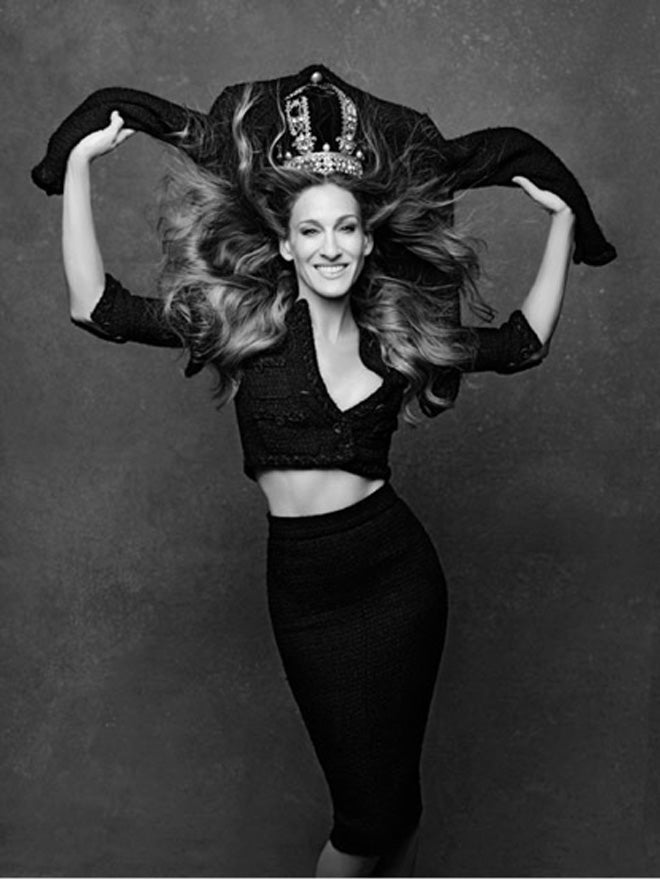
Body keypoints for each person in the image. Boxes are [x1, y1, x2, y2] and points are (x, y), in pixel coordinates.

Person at [60, 74, 575, 878]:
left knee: (397, 809)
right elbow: (96, 307)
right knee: (364, 819)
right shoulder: (244, 325)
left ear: (368, 242)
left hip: (400, 578)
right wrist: (79, 168)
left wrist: (564, 223)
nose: (330, 245)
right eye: (311, 230)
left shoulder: (395, 337)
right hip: (308, 591)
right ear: (286, 244)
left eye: (346, 228)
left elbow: (522, 344)